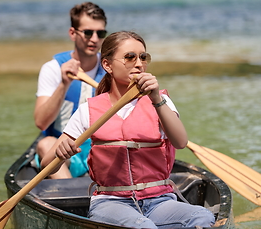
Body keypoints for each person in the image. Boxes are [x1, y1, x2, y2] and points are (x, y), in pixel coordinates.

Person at [41, 31, 215, 228]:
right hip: (111, 202)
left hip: (160, 201)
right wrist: (61, 153)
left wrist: (156, 99)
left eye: (143, 57)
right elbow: (47, 164)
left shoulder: (161, 101)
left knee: (203, 217)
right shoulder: (88, 110)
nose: (139, 63)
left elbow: (180, 142)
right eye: (130, 57)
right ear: (107, 65)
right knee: (144, 226)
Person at [34, 2, 107, 179]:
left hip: (101, 152)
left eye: (101, 33)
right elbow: (41, 122)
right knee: (45, 144)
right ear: (73, 33)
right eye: (88, 32)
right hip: (64, 153)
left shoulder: (110, 68)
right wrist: (64, 84)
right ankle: (69, 199)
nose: (95, 39)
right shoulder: (52, 69)